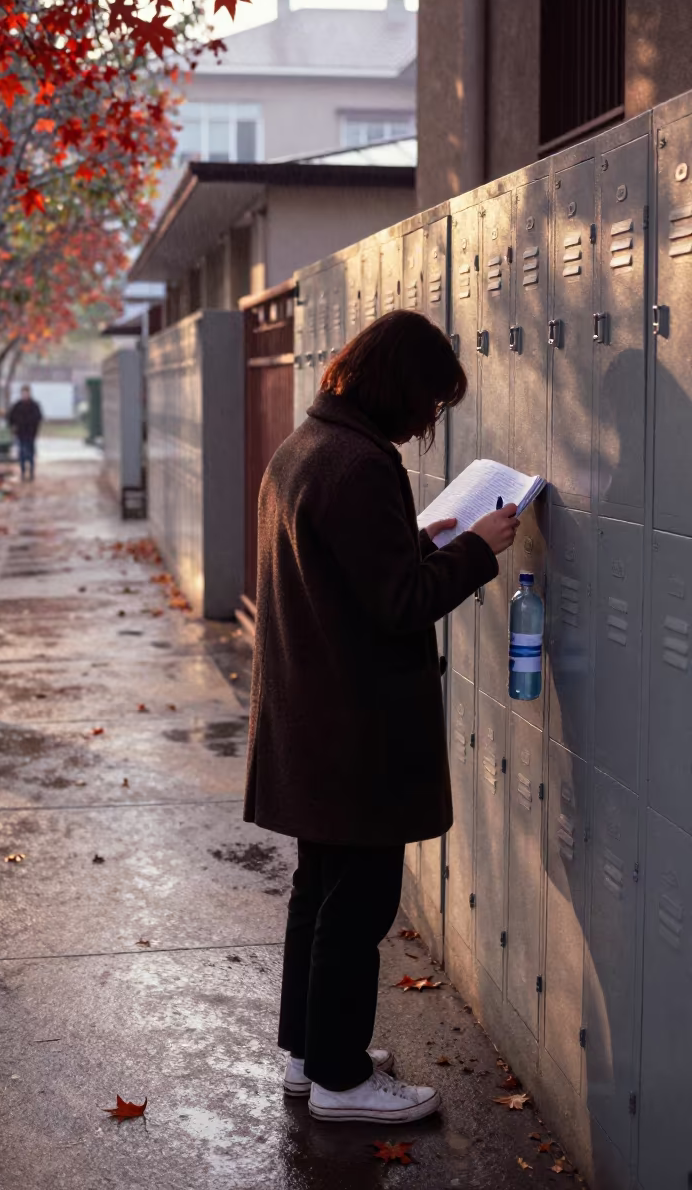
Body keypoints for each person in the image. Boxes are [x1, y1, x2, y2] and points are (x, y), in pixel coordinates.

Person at [244, 309, 520, 1125]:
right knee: (357, 905)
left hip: (311, 720)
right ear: (399, 388)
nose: (428, 421)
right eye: (430, 404)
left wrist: (419, 536)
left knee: (319, 891)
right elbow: (398, 603)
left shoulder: (307, 448)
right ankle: (340, 1080)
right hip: (353, 730)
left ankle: (310, 1055)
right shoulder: (361, 465)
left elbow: (351, 572)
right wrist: (479, 548)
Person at [7, 385, 43, 481]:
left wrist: (35, 429)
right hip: (21, 434)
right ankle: (23, 472)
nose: (25, 395)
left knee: (30, 454)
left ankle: (31, 472)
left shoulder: (34, 406)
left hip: (30, 434)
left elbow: (38, 418)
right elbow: (10, 418)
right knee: (22, 454)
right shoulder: (17, 406)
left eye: (26, 393)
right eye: (23, 393)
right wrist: (13, 428)